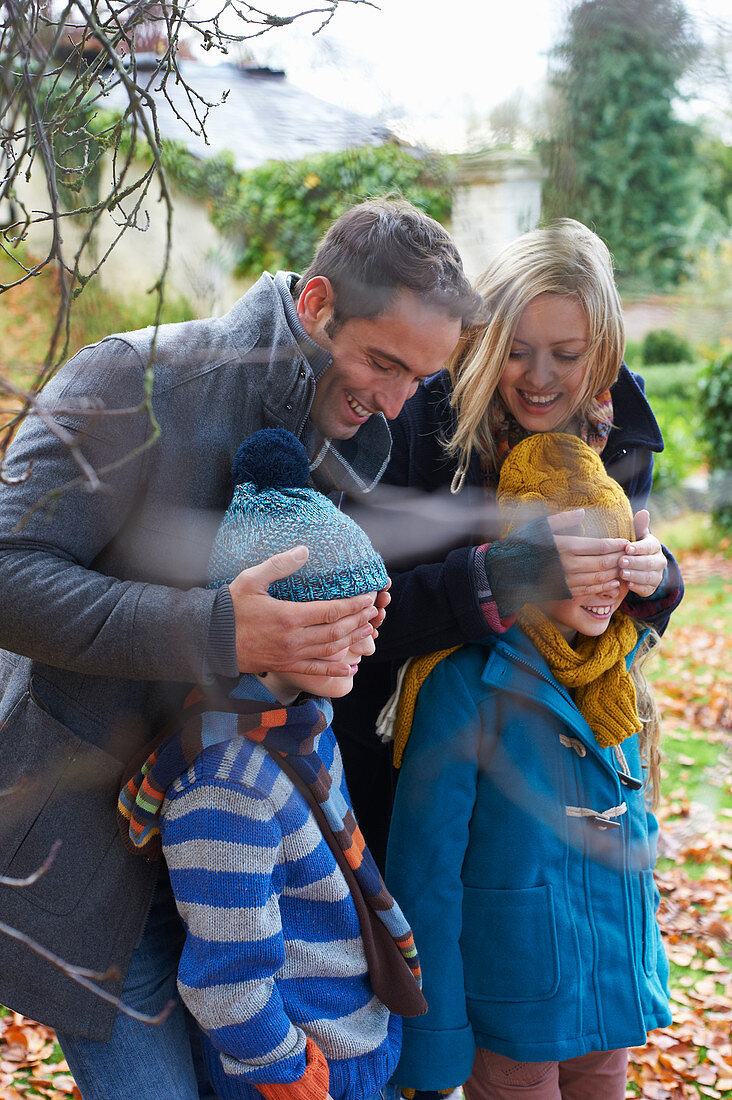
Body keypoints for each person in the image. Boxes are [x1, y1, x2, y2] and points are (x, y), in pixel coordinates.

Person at [0, 198, 476, 1099]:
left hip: (246, 884)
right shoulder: (133, 380)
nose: (393, 402)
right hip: (98, 873)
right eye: (382, 362)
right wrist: (217, 628)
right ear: (317, 304)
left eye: (418, 378)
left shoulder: (346, 430)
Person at [333, 218, 683, 867]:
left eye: (568, 354)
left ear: (602, 347)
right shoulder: (415, 417)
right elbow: (355, 619)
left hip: (554, 769)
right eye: (516, 349)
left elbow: (607, 620)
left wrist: (655, 582)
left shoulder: (618, 436)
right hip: (409, 769)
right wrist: (502, 575)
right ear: (486, 335)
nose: (538, 377)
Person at [118, 429, 427, 1100]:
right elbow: (226, 976)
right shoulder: (230, 782)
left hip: (352, 1037)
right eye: (344, 616)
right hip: (300, 1071)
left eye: (370, 609)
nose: (370, 635)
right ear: (273, 625)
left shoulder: (305, 725)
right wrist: (284, 1069)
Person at [385, 431, 671, 1100]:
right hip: (511, 1009)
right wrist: (435, 1048)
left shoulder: (618, 670)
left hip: (608, 995)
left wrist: (641, 968)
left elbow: (633, 831)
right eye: (584, 563)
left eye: (617, 559)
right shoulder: (462, 684)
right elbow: (425, 880)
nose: (605, 586)